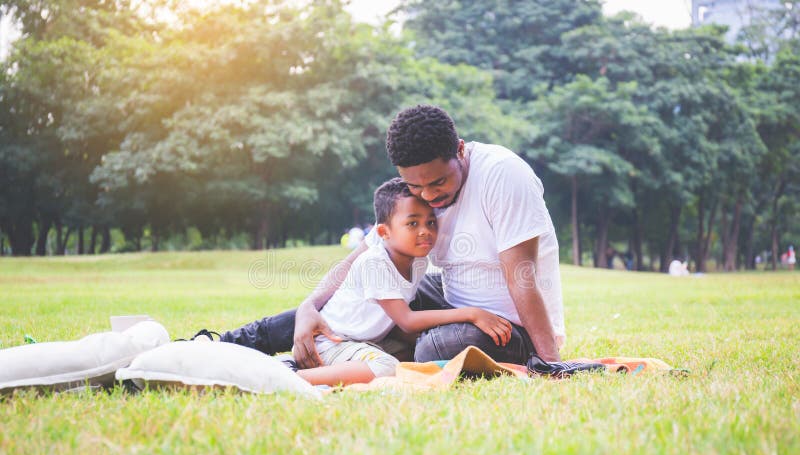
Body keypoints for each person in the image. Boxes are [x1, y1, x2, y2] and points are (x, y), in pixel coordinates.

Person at [209, 105, 566, 370]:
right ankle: (220, 345)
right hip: (451, 298)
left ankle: (344, 358)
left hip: (510, 325)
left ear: (459, 150)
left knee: (432, 349)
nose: (427, 196)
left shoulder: (503, 175)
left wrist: (549, 361)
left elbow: (522, 277)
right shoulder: (418, 190)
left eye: (438, 183)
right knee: (357, 296)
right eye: (415, 185)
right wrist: (308, 307)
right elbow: (357, 261)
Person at [241, 178, 512, 386]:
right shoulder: (375, 262)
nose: (425, 231)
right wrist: (472, 314)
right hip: (336, 342)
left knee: (412, 355)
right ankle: (291, 379)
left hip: (366, 341)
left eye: (430, 222)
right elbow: (405, 319)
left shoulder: (417, 260)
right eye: (412, 224)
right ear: (383, 232)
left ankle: (295, 367)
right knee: (386, 368)